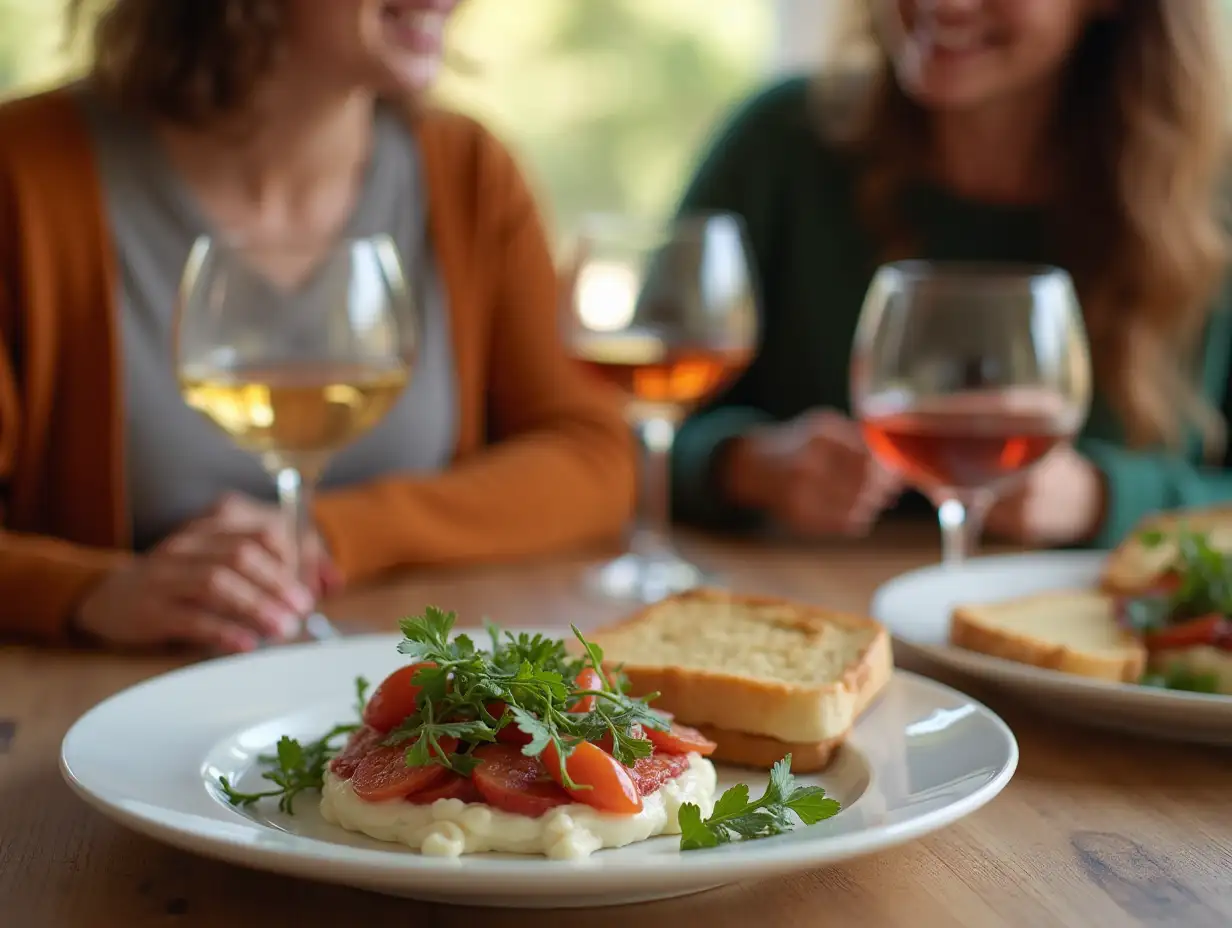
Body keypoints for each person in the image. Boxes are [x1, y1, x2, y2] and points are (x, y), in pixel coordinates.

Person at [0, 0, 636, 652]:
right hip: (83, 700)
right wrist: (90, 591)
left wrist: (326, 535)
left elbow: (594, 455)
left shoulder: (468, 169)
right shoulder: (23, 172)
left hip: (378, 679)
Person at [669, 0, 1232, 552]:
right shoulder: (780, 142)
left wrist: (1103, 499)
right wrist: (743, 465)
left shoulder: (1213, 197)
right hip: (806, 613)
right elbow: (625, 427)